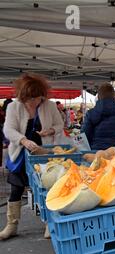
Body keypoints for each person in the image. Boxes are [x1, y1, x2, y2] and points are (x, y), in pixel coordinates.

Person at [1, 74, 64, 240]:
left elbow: (59, 125)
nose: (35, 102)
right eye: (31, 99)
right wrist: (23, 140)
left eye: (38, 98)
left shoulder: (49, 105)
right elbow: (8, 130)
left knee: (45, 189)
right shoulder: (13, 107)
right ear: (23, 96)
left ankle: (49, 224)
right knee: (16, 189)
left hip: (43, 154)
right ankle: (11, 226)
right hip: (20, 154)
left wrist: (50, 131)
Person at [82, 83, 115, 150]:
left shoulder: (90, 113)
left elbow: (84, 133)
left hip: (96, 150)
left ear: (99, 96)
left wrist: (88, 146)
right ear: (114, 95)